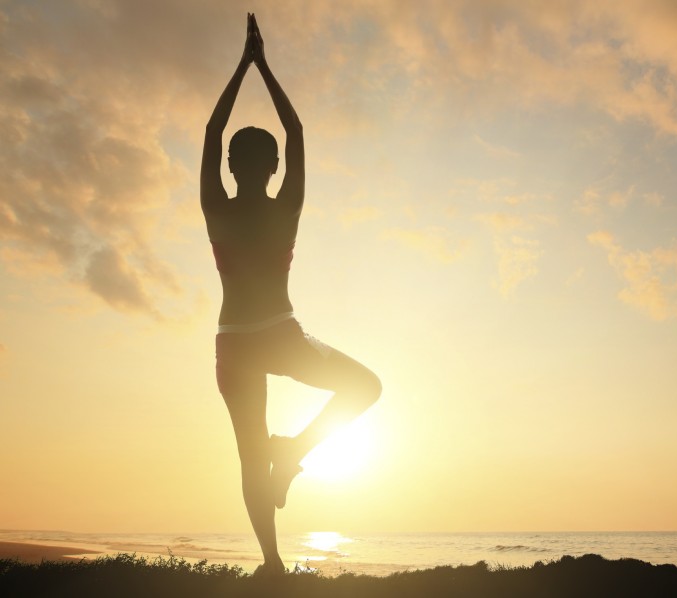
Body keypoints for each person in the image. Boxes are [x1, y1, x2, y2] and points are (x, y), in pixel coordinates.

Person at [201, 13, 381, 576]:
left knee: (250, 457)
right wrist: (262, 64)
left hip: (234, 345)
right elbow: (296, 133)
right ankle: (296, 451)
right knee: (366, 387)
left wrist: (243, 66)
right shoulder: (286, 209)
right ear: (275, 166)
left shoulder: (218, 209)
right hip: (280, 335)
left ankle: (272, 563)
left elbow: (211, 134)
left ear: (231, 166)